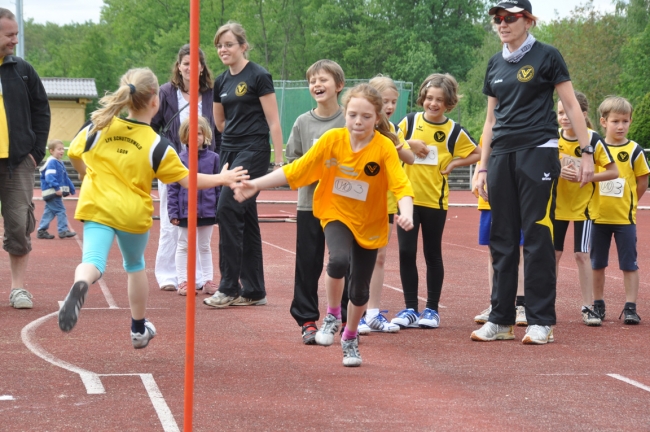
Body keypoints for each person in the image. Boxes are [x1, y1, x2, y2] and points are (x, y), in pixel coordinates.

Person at [57, 68, 248, 350]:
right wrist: (223, 177)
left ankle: (82, 282)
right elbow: (188, 180)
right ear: (155, 102)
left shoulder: (97, 125)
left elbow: (73, 153)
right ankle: (137, 329)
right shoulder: (158, 145)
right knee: (134, 266)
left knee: (93, 261)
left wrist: (85, 173)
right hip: (132, 213)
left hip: (97, 206)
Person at [231, 84, 415, 367]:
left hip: (369, 222)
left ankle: (350, 337)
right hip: (334, 211)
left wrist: (406, 213)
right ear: (345, 113)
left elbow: (402, 186)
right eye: (353, 114)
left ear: (377, 118)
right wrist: (255, 184)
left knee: (360, 292)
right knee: (338, 260)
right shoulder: (332, 140)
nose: (358, 122)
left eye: (366, 117)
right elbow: (297, 170)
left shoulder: (384, 148)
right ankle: (331, 315)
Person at [472, 0, 595, 345]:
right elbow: (490, 120)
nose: (502, 23)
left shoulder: (547, 55)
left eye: (510, 18)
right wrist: (482, 165)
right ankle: (501, 320)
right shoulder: (495, 62)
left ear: (528, 21)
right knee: (502, 237)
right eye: (497, 18)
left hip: (538, 152)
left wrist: (586, 153)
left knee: (538, 236)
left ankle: (541, 320)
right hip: (501, 156)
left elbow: (571, 104)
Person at [204, 21, 284, 309]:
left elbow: (273, 120)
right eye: (219, 45)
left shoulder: (259, 75)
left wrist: (278, 159)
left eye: (228, 44)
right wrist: (231, 137)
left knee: (226, 207)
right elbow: (220, 121)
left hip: (253, 150)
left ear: (243, 46)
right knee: (246, 218)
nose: (223, 50)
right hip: (229, 150)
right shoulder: (221, 81)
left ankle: (229, 287)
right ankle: (254, 290)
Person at [391, 73, 480, 330]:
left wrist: (454, 162)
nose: (433, 103)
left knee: (432, 253)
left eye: (439, 100)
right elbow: (387, 140)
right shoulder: (409, 121)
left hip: (435, 201)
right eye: (429, 98)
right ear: (422, 98)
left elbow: (478, 152)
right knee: (406, 252)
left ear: (449, 103)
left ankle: (431, 309)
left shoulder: (454, 131)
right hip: (406, 198)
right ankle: (410, 308)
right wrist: (410, 142)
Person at [285, 59, 349, 344]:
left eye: (323, 80)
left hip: (344, 205)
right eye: (312, 81)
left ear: (339, 85)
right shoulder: (303, 122)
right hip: (310, 204)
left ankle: (345, 317)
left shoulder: (350, 119)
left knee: (343, 261)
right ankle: (307, 319)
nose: (317, 85)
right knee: (308, 263)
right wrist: (314, 166)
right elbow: (293, 163)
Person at [151, 44, 220, 292]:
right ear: (179, 66)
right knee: (172, 222)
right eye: (186, 63)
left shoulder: (212, 93)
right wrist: (161, 155)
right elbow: (152, 126)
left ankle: (202, 277)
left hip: (206, 166)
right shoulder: (166, 93)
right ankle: (169, 274)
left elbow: (220, 125)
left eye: (196, 63)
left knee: (202, 222)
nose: (191, 67)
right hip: (173, 165)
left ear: (202, 67)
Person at [0, 8, 51, 310]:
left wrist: (35, 153)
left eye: (16, 34)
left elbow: (42, 110)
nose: (15, 41)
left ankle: (18, 289)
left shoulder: (22, 70)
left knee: (19, 224)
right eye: (10, 35)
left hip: (18, 162)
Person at [554, 92, 618, 326]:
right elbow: (539, 165)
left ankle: (588, 307)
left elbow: (614, 171)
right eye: (560, 113)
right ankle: (547, 304)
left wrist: (589, 176)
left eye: (569, 112)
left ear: (582, 114)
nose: (564, 117)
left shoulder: (592, 139)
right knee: (553, 255)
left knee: (581, 255)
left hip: (585, 208)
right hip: (557, 206)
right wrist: (556, 170)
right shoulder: (553, 137)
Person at [358, 75, 414, 335]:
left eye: (394, 101)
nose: (390, 106)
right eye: (385, 101)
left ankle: (372, 313)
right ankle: (355, 311)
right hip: (359, 200)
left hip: (386, 202)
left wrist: (396, 141)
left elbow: (410, 158)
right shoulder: (358, 125)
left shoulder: (393, 130)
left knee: (380, 257)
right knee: (355, 257)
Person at [590, 96, 649, 325]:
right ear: (604, 122)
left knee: (629, 263)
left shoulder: (634, 150)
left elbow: (642, 181)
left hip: (625, 219)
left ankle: (631, 307)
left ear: (630, 122)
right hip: (597, 217)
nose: (621, 126)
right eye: (616, 121)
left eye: (625, 121)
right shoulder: (595, 148)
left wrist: (631, 202)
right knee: (597, 262)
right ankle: (598, 304)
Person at [471, 139, 526, 326]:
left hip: (514, 198)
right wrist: (477, 176)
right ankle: (496, 303)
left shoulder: (519, 125)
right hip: (489, 199)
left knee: (519, 250)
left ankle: (521, 304)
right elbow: (482, 158)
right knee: (493, 252)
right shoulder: (491, 127)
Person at [168, 117, 221, 296]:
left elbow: (219, 186)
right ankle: (183, 281)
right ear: (184, 136)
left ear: (205, 135)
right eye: (191, 133)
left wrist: (219, 210)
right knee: (183, 245)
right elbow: (173, 188)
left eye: (199, 133)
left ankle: (207, 280)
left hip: (207, 210)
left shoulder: (214, 159)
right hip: (185, 212)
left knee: (205, 246)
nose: (195, 137)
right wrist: (173, 211)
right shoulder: (179, 159)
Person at [36, 140, 77, 240]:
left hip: (52, 193)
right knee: (61, 210)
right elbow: (50, 177)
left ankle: (41, 230)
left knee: (49, 212)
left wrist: (71, 188)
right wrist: (57, 188)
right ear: (51, 151)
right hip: (52, 192)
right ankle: (63, 230)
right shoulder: (52, 162)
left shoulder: (59, 162)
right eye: (59, 149)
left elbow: (65, 177)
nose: (62, 151)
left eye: (63, 149)